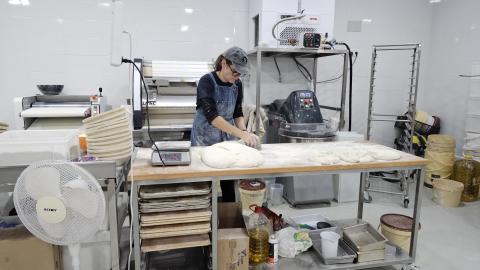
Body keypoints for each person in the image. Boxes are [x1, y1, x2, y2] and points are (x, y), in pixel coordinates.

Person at [191, 46, 259, 202]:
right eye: (235, 72)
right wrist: (241, 133)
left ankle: (228, 216)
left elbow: (237, 111)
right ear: (224, 63)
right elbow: (212, 117)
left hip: (227, 139)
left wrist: (244, 132)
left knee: (229, 182)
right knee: (204, 186)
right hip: (204, 140)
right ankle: (207, 219)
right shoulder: (206, 81)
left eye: (240, 74)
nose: (237, 77)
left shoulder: (237, 85)